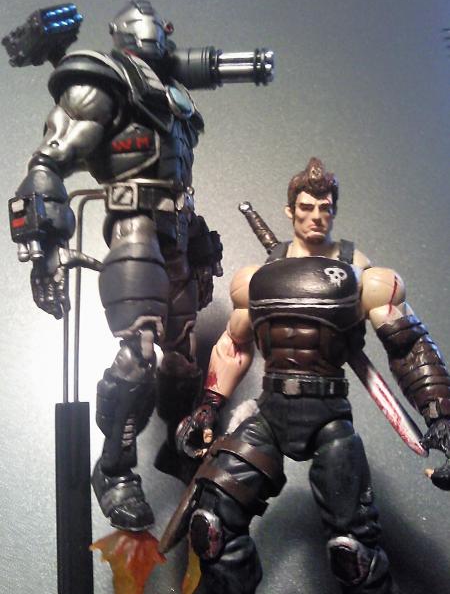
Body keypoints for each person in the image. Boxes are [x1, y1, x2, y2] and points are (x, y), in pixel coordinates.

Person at [9, 0, 273, 531]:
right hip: (134, 226)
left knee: (182, 356)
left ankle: (179, 446)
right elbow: (46, 164)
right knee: (138, 349)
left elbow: (179, 179)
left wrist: (199, 249)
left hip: (179, 230)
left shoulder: (171, 96)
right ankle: (113, 469)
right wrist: (43, 251)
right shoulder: (100, 81)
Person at [176, 157, 450, 593]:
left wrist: (440, 415)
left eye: (325, 208)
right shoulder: (256, 278)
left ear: (334, 211)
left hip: (327, 418)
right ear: (291, 211)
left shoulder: (363, 275)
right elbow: (234, 345)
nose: (316, 216)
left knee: (353, 551)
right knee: (211, 526)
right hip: (269, 415)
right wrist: (209, 405)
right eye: (306, 207)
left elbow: (407, 344)